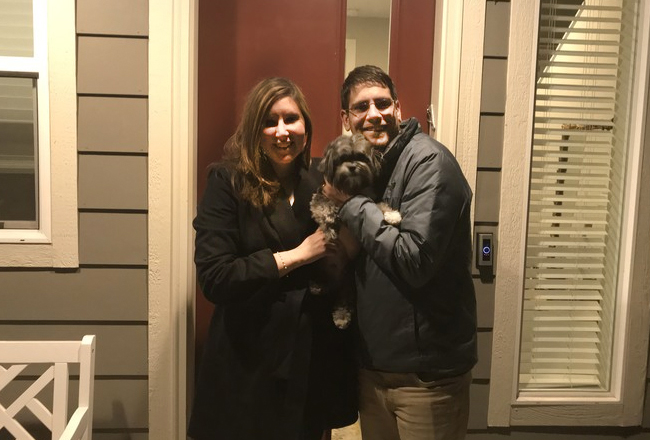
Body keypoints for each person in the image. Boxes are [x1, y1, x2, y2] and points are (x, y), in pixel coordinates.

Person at [188, 77, 358, 440]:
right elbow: (215, 277)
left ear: (306, 126)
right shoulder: (227, 181)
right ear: (255, 129)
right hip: (246, 359)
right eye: (270, 121)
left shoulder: (321, 179)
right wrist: (296, 256)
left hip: (309, 357)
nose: (282, 131)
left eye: (291, 119)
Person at [323, 65, 478, 440]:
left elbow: (415, 259)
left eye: (382, 103)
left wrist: (351, 205)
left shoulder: (428, 163)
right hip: (375, 369)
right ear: (346, 118)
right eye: (361, 107)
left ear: (398, 107)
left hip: (425, 379)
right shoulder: (372, 168)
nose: (373, 114)